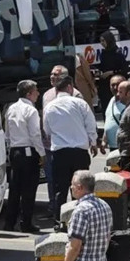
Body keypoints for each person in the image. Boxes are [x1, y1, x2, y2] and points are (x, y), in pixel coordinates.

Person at [43, 76, 99, 225]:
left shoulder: (49, 107)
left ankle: (58, 221)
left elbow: (46, 130)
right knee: (81, 188)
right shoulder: (80, 104)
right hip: (79, 153)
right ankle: (80, 220)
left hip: (59, 153)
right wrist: (93, 143)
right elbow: (90, 125)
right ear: (70, 88)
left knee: (59, 190)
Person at [3, 80, 46, 233]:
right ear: (29, 93)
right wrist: (42, 154)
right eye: (36, 91)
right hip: (28, 151)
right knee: (28, 190)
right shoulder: (31, 110)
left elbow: (7, 133)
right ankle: (26, 223)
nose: (38, 94)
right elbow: (35, 134)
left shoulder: (11, 108)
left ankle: (9, 223)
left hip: (15, 151)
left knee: (15, 189)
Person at [42, 65, 84, 214]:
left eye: (57, 76)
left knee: (74, 182)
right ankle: (54, 208)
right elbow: (45, 121)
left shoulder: (76, 96)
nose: (53, 77)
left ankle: (74, 210)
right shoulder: (47, 95)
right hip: (51, 146)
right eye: (52, 74)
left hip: (73, 146)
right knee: (53, 180)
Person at [95, 31, 130, 107]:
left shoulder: (117, 53)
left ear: (109, 40)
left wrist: (111, 72)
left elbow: (125, 70)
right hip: (104, 86)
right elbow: (103, 66)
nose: (102, 43)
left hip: (115, 87)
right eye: (100, 41)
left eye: (103, 41)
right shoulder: (104, 53)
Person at [103, 75, 128, 150]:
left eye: (118, 84)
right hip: (112, 146)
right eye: (113, 85)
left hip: (125, 147)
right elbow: (109, 121)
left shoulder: (129, 104)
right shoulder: (112, 100)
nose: (115, 87)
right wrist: (104, 140)